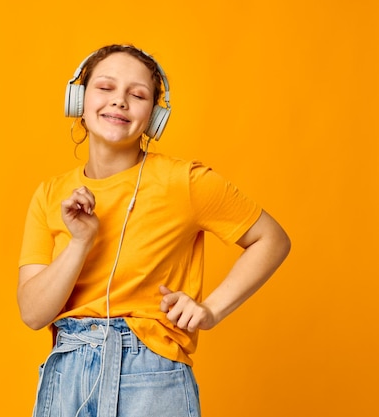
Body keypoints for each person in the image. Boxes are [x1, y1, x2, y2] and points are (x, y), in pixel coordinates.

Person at [17, 44, 291, 417]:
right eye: (106, 88)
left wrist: (211, 309)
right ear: (78, 99)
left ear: (154, 116)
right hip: (67, 374)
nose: (120, 102)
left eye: (138, 94)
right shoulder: (50, 195)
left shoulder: (186, 182)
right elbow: (33, 314)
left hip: (150, 372)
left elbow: (271, 239)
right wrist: (81, 242)